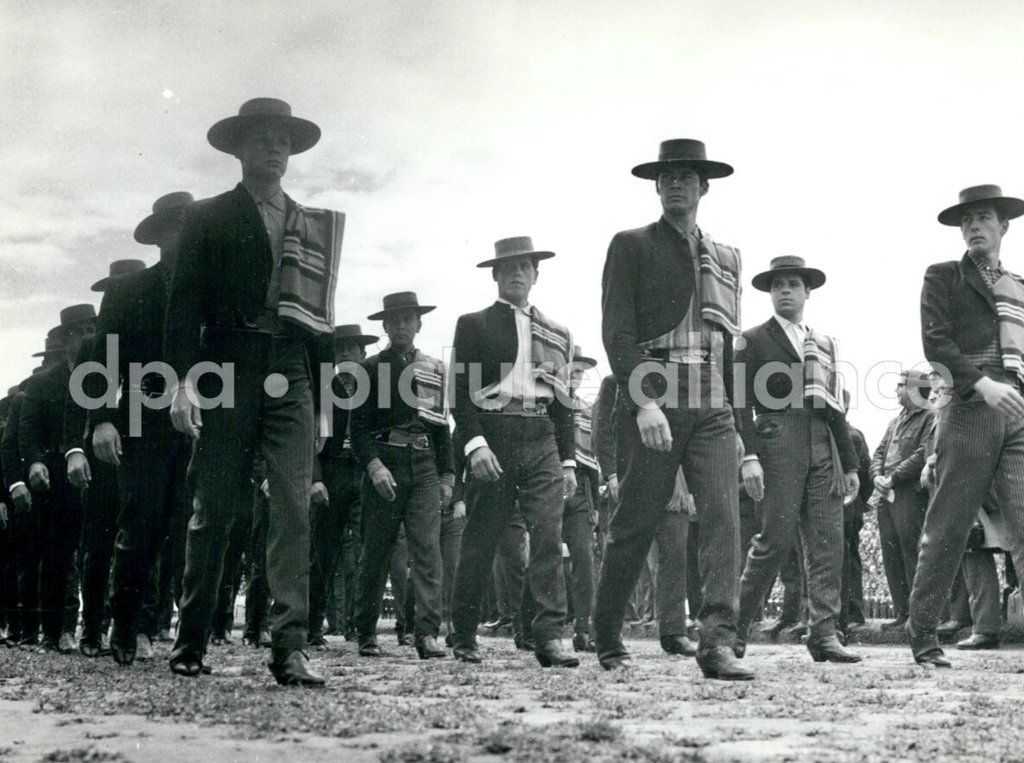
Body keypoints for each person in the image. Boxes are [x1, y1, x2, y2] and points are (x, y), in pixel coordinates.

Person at [165, 98, 342, 686]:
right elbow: (182, 305)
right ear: (239, 149)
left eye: (284, 140)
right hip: (227, 366)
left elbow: (318, 322)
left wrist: (320, 402)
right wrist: (185, 382)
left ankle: (289, 648)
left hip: (289, 368)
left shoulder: (311, 223)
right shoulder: (208, 216)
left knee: (293, 506)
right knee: (215, 507)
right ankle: (191, 639)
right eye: (263, 138)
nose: (275, 147)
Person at [593, 139, 751, 679]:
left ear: (704, 187)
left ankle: (717, 644)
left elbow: (728, 346)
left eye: (685, 176)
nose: (675, 185)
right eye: (666, 178)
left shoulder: (727, 257)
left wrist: (740, 431)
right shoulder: (630, 244)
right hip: (654, 382)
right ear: (656, 187)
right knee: (636, 520)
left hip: (711, 394)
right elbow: (617, 332)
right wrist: (643, 401)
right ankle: (607, 633)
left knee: (724, 521)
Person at [449, 236, 579, 669]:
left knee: (548, 538)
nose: (517, 274)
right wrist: (474, 445)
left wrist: (568, 460)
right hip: (495, 431)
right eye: (509, 268)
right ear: (496, 276)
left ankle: (549, 637)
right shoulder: (473, 324)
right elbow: (460, 395)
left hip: (541, 434)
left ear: (536, 275)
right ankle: (464, 633)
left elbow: (564, 404)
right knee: (482, 539)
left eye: (525, 267)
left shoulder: (558, 333)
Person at [910, 184, 1024, 667]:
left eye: (984, 218)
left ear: (1004, 226)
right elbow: (936, 344)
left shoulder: (1018, 286)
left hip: (1016, 406)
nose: (975, 227)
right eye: (967, 221)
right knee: (950, 524)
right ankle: (922, 637)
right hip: (970, 405)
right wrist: (981, 383)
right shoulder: (944, 276)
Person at [734, 256, 862, 663]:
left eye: (792, 284)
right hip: (777, 440)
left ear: (807, 292)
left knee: (828, 543)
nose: (784, 291)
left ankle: (823, 634)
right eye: (777, 286)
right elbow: (738, 403)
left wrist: (850, 463)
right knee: (772, 541)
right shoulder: (750, 340)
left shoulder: (824, 344)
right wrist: (748, 454)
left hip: (823, 444)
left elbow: (835, 406)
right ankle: (732, 630)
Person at [351, 293, 453, 660]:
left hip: (425, 465)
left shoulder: (435, 370)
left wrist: (448, 476)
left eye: (409, 319)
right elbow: (357, 429)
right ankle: (365, 631)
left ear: (419, 325)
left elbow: (443, 429)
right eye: (395, 321)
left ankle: (426, 634)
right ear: (385, 327)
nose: (402, 326)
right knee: (376, 552)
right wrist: (374, 467)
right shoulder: (368, 369)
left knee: (427, 552)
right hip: (385, 464)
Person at [65, 258, 148, 660]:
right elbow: (74, 405)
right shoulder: (92, 346)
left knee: (144, 538)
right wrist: (75, 451)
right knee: (97, 544)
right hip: (101, 459)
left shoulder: (152, 336)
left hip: (142, 447)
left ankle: (138, 627)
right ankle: (92, 628)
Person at [19, 305, 97, 653]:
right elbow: (27, 433)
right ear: (67, 338)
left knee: (99, 551)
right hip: (57, 480)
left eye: (91, 329)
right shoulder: (41, 382)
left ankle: (96, 628)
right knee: (59, 555)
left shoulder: (102, 375)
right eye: (80, 331)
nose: (87, 337)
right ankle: (58, 629)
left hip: (99, 473)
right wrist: (35, 462)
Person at [307, 323, 378, 648]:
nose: (347, 354)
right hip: (333, 472)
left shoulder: (378, 387)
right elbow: (309, 437)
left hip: (364, 472)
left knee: (366, 553)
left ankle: (359, 628)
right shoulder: (320, 388)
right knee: (324, 550)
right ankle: (312, 627)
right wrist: (316, 478)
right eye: (340, 349)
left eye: (353, 348)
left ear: (363, 353)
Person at [868, 370, 933, 634]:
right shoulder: (895, 421)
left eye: (900, 386)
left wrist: (892, 478)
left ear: (916, 390)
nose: (896, 390)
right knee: (891, 553)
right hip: (888, 494)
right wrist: (876, 477)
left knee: (911, 552)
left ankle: (917, 616)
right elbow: (879, 452)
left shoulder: (931, 418)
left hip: (909, 493)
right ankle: (902, 612)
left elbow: (921, 455)